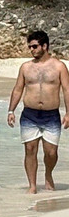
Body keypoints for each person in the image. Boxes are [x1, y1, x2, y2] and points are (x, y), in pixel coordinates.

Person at [7, 30, 69, 193]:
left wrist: (68, 113)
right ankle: (32, 186)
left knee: (51, 152)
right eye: (30, 47)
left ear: (44, 46)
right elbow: (18, 89)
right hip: (30, 114)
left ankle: (48, 174)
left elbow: (67, 90)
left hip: (51, 115)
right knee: (30, 150)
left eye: (34, 46)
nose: (32, 50)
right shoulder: (26, 67)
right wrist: (11, 110)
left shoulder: (59, 66)